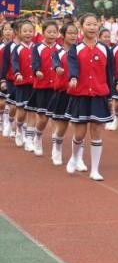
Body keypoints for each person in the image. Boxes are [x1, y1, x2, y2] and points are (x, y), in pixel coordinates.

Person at [65, 14, 115, 181]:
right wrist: (73, 78)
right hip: (81, 94)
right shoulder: (75, 49)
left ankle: (95, 169)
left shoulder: (105, 49)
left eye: (95, 24)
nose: (92, 27)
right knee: (79, 133)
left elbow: (110, 74)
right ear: (82, 27)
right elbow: (72, 66)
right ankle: (74, 157)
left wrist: (110, 96)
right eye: (88, 24)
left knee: (96, 131)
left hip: (99, 95)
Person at [25, 20, 61, 156]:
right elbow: (34, 63)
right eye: (49, 32)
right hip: (42, 86)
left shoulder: (60, 49)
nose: (52, 35)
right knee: (42, 117)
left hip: (56, 87)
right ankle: (38, 137)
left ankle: (55, 148)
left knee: (54, 117)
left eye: (54, 32)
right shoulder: (37, 47)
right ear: (43, 32)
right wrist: (37, 71)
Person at [48, 23, 78, 166]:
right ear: (63, 35)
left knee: (80, 125)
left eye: (75, 33)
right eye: (70, 33)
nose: (73, 36)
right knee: (63, 124)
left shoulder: (80, 50)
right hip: (63, 91)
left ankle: (77, 157)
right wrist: (58, 68)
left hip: (79, 92)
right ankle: (57, 148)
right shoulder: (57, 52)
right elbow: (55, 63)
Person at [11, 20, 36, 152]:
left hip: (35, 84)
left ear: (34, 32)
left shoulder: (36, 48)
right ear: (19, 33)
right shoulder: (17, 49)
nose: (28, 33)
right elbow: (14, 63)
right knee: (21, 111)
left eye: (30, 31)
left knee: (32, 111)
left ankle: (29, 138)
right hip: (21, 84)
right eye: (25, 31)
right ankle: (19, 129)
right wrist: (17, 73)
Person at [0, 22, 13, 137]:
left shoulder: (16, 46)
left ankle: (7, 122)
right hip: (1, 76)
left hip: (12, 77)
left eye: (10, 29)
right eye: (6, 29)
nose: (8, 31)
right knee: (2, 102)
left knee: (10, 102)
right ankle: (1, 119)